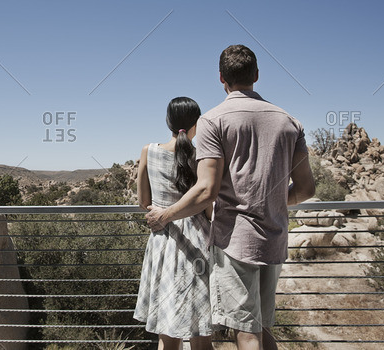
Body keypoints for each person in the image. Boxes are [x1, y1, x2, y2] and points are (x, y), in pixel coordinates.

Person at [145, 45, 315, 350]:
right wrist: (271, 201)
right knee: (262, 328)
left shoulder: (213, 120)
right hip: (274, 238)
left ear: (221, 78)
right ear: (257, 76)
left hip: (235, 241)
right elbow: (306, 189)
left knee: (246, 332)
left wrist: (165, 215)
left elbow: (206, 190)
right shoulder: (290, 122)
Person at [133, 97, 214, 350]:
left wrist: (162, 209)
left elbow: (143, 201)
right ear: (196, 124)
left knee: (167, 335)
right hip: (199, 242)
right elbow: (209, 208)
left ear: (168, 121)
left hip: (164, 240)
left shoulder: (149, 150)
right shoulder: (202, 157)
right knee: (202, 333)